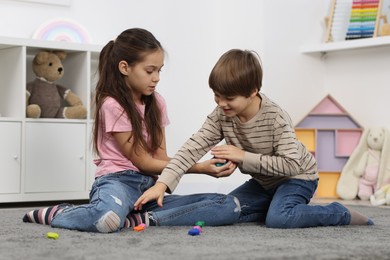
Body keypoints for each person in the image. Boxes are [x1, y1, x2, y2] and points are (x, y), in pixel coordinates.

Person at [22, 28, 241, 233]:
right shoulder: (112, 105)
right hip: (117, 183)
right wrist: (200, 167)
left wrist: (168, 180)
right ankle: (60, 213)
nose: (156, 78)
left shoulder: (157, 103)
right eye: (149, 70)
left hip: (149, 187)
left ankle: (141, 218)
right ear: (125, 67)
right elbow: (142, 161)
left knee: (228, 205)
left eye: (159, 70)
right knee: (105, 218)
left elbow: (160, 157)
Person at [135, 49, 374, 228]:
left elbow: (293, 164)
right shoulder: (222, 114)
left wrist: (244, 157)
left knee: (280, 219)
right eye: (216, 96)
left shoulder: (275, 118)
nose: (221, 103)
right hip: (264, 183)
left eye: (228, 98)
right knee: (225, 206)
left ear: (252, 92)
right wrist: (161, 184)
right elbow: (193, 147)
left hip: (297, 178)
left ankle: (338, 213)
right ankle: (271, 205)